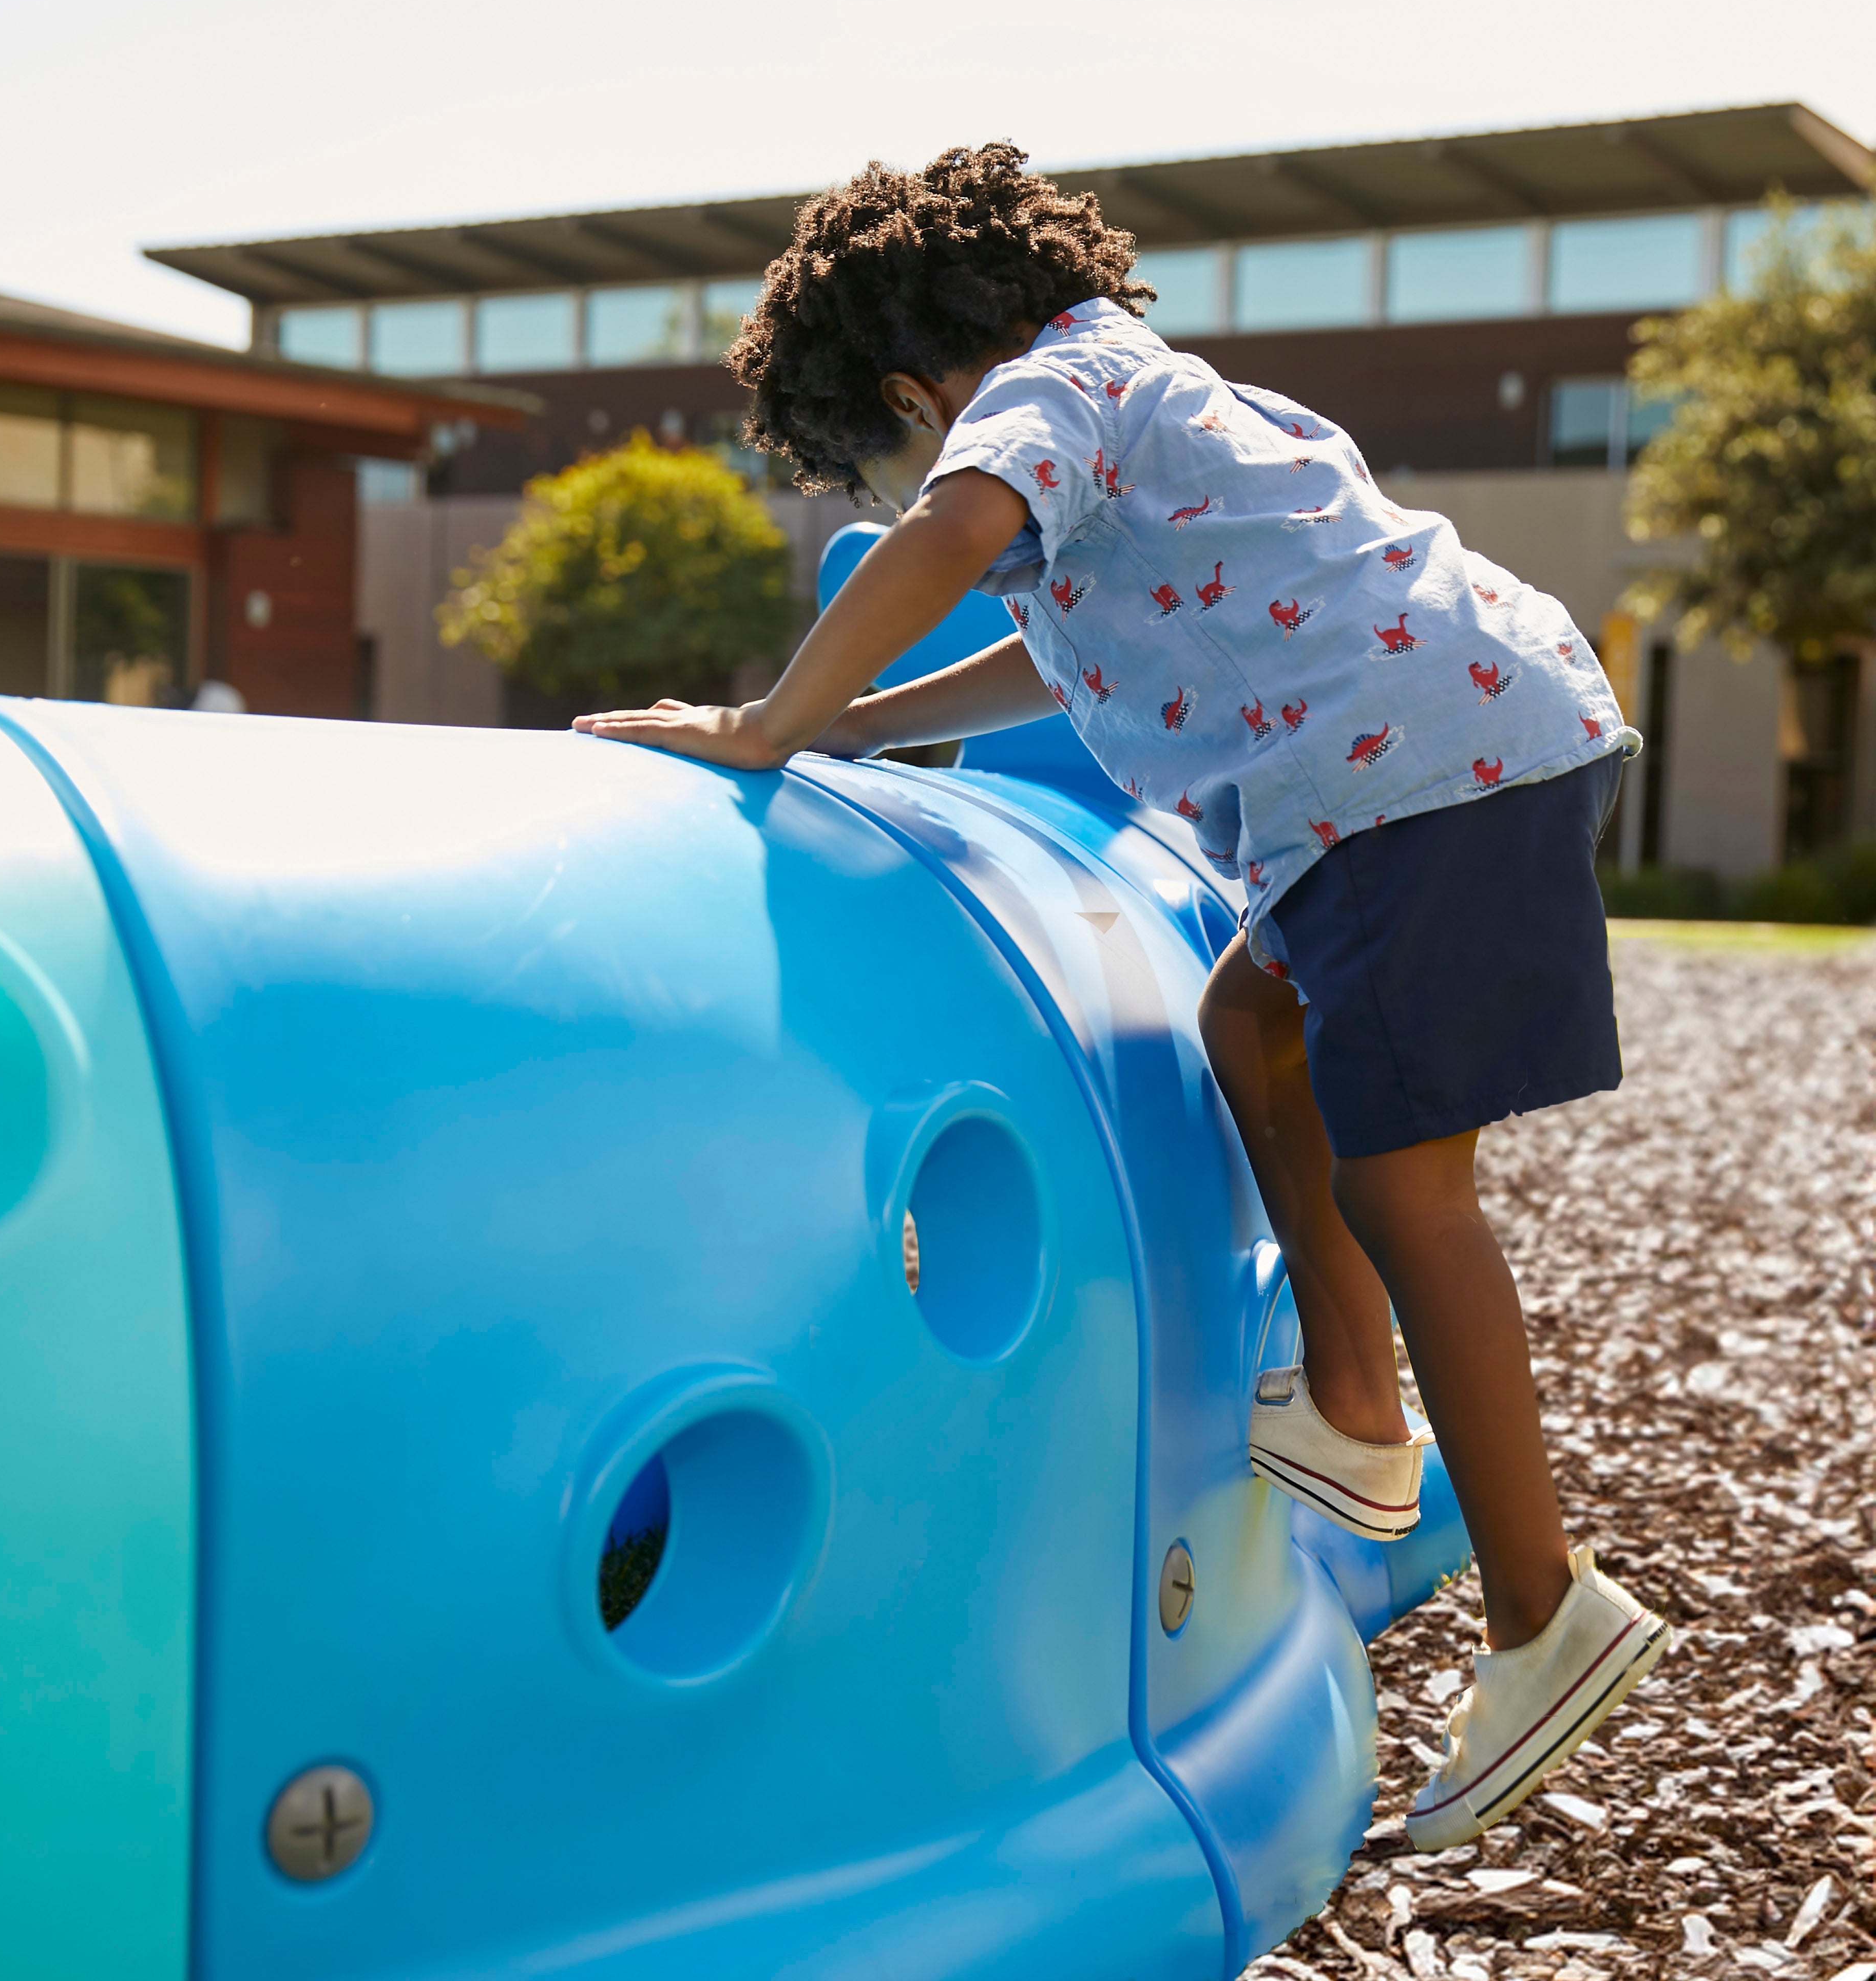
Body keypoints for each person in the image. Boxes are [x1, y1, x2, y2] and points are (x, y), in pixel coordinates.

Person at [573, 143, 1669, 1849]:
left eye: (908, 432)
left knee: (1408, 1185)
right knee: (1257, 1027)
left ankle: (1545, 1613)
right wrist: (864, 728)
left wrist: (762, 728)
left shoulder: (1051, 390)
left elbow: (955, 530)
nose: (935, 457)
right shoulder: (1153, 402)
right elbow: (1057, 648)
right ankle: (1361, 1408)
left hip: (1423, 782)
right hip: (1448, 753)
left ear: (916, 380)